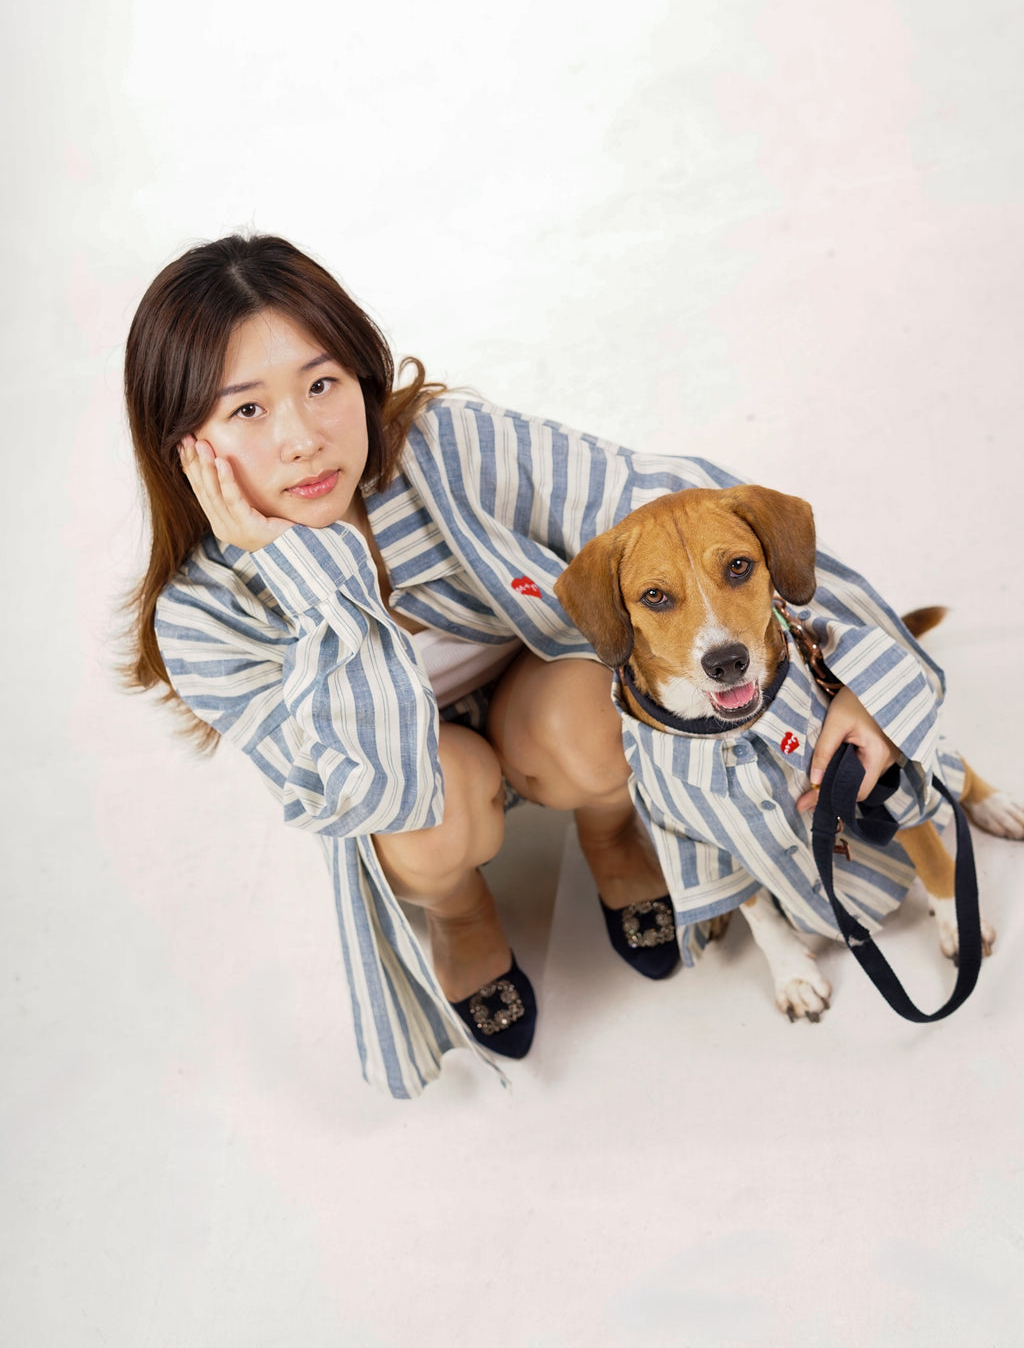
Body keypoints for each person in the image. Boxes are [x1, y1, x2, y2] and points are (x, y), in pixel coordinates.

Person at [124, 233, 935, 1098]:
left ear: (362, 378)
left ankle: (612, 831)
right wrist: (310, 570)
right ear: (184, 444)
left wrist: (853, 675)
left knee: (599, 696)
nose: (302, 439)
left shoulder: (448, 448)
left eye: (321, 384)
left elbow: (680, 503)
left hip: (535, 699)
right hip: (414, 785)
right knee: (431, 800)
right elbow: (363, 793)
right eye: (245, 410)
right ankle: (462, 911)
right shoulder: (202, 618)